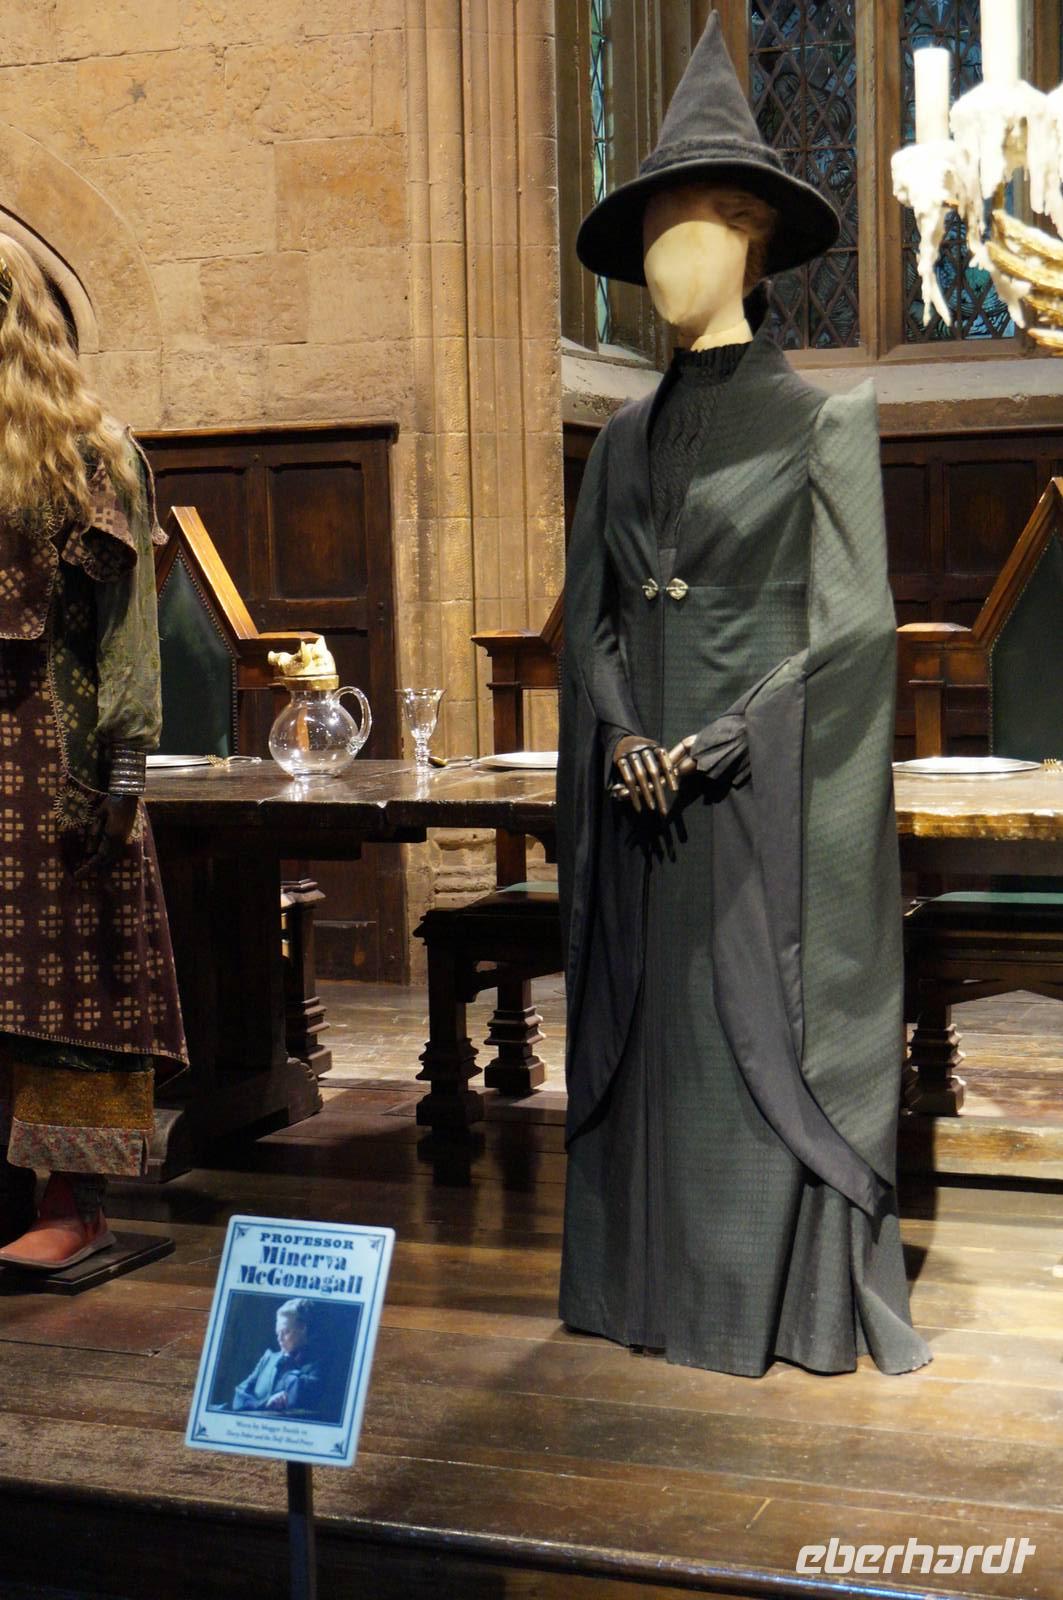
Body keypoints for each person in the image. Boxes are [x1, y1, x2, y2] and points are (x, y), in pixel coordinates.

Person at [556, 17, 931, 1377]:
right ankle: (635, 1287)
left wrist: (722, 741)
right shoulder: (618, 441)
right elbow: (589, 617)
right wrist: (618, 731)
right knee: (648, 1042)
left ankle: (759, 1304)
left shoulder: (825, 421)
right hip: (638, 812)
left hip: (757, 816)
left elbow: (854, 630)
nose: (670, 252)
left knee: (749, 1046)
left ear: (754, 246)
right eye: (655, 227)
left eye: (699, 223)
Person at [0, 235, 187, 1272]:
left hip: (55, 771)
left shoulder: (93, 452)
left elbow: (128, 636)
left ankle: (73, 1200)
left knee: (68, 994)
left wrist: (122, 776)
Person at [232, 1299, 327, 1416]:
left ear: (303, 1328)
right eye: (278, 1333)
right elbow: (239, 1396)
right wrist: (263, 1404)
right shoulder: (269, 1358)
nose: (280, 1339)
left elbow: (301, 1398)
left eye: (286, 1332)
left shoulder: (318, 1365)